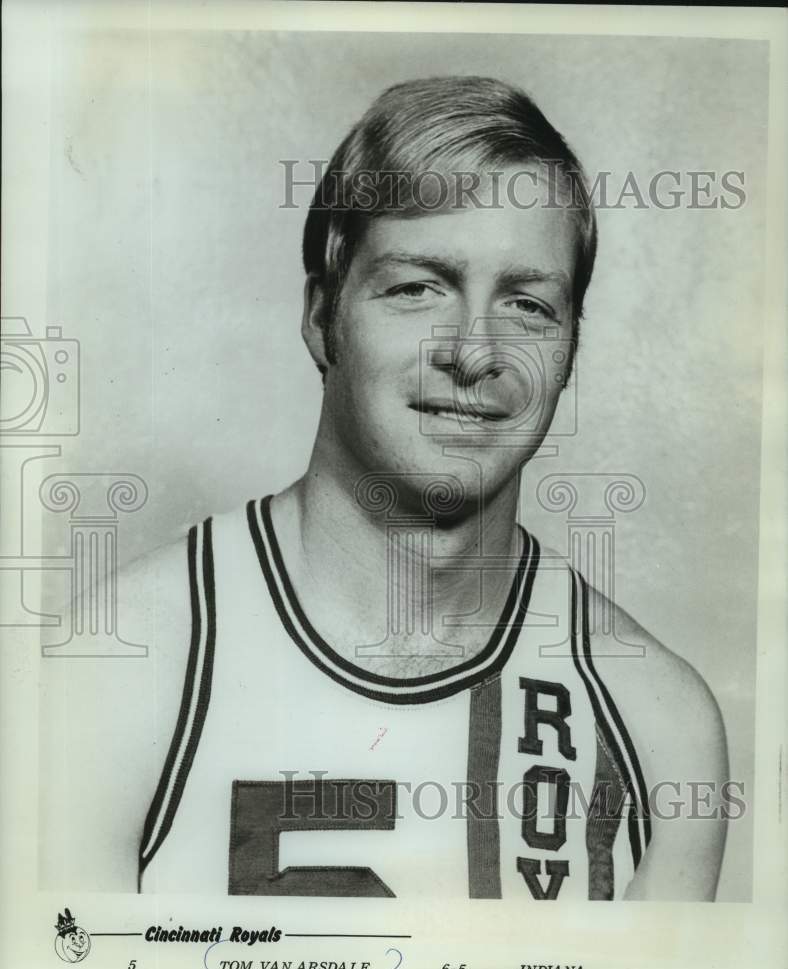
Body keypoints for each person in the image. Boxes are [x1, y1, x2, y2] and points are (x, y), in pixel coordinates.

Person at [40, 76, 728, 901]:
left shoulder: (662, 730)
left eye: (528, 303)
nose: (474, 351)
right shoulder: (111, 670)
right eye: (417, 288)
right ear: (322, 315)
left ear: (572, 345)